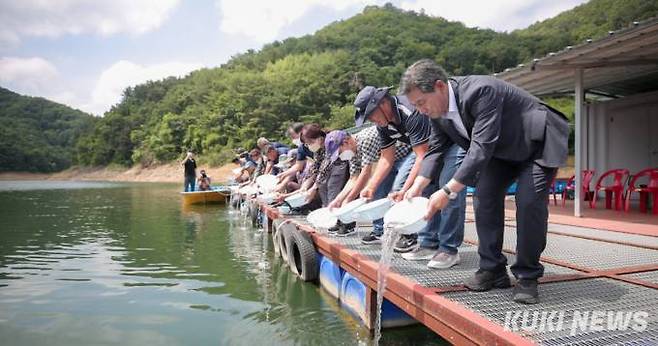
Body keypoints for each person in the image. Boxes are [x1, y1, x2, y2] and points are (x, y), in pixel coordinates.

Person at [399, 59, 569, 304]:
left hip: (537, 142)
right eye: (415, 105)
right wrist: (416, 187)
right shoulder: (437, 112)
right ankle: (493, 269)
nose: (421, 110)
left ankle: (527, 276)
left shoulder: (480, 91)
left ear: (439, 86)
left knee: (529, 201)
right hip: (503, 151)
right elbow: (435, 150)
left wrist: (447, 190)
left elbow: (480, 148)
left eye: (421, 103)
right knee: (484, 197)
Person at [352, 86, 437, 254]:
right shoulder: (383, 125)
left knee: (424, 189)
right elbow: (386, 158)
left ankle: (434, 243)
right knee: (398, 190)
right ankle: (409, 234)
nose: (371, 120)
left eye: (370, 115)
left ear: (383, 103)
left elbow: (422, 156)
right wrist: (371, 187)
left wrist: (408, 189)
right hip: (420, 149)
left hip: (441, 144)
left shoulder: (409, 111)